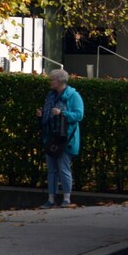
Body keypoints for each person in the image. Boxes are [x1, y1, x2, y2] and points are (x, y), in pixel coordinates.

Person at [37, 69, 84, 208]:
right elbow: (49, 116)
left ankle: (66, 199)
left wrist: (62, 113)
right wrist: (42, 115)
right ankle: (51, 199)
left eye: (52, 79)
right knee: (51, 169)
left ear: (59, 81)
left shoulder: (73, 96)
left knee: (63, 168)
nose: (50, 82)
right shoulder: (51, 96)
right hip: (51, 137)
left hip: (65, 138)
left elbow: (79, 115)